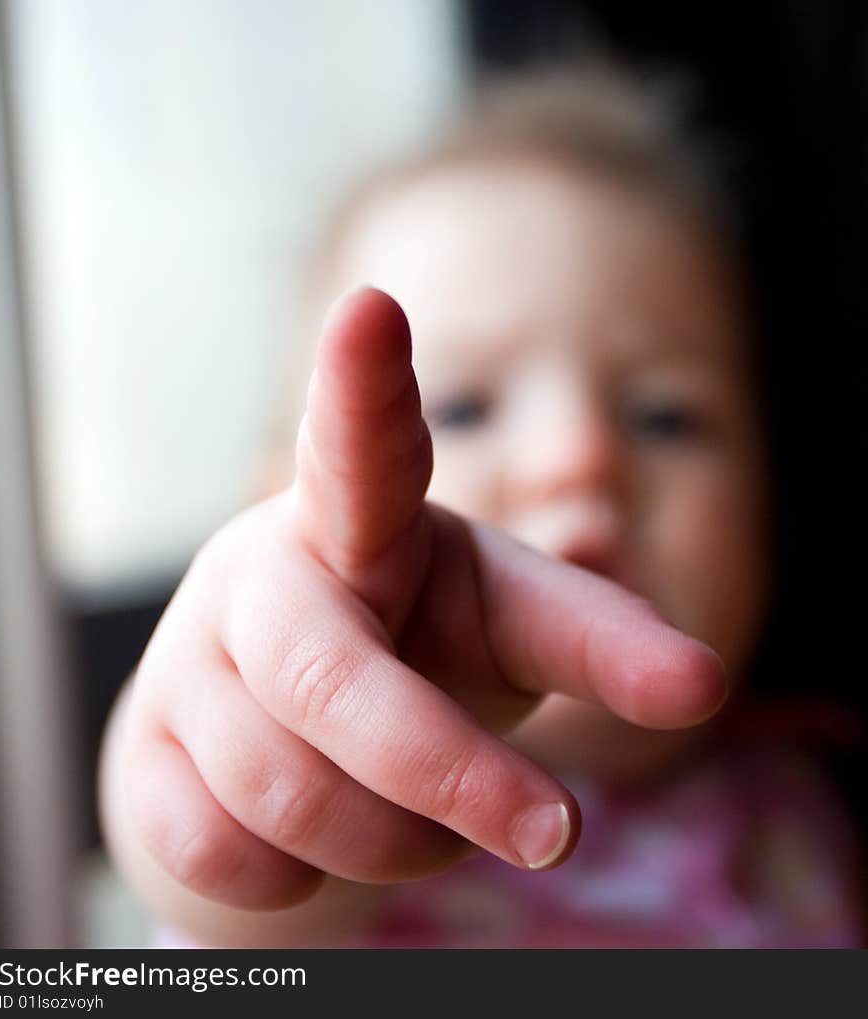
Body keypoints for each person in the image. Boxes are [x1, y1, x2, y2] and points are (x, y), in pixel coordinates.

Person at [98, 65, 865, 948]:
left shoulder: (799, 796)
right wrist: (234, 713)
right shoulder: (371, 829)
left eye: (665, 416)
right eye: (463, 409)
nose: (577, 456)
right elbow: (238, 884)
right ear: (282, 507)